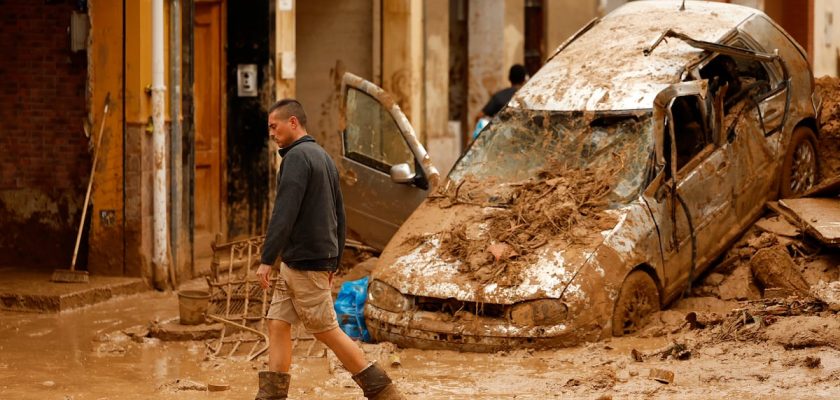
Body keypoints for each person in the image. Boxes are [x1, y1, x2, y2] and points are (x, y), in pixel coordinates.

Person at [255, 99, 404, 400]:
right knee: (278, 323)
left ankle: (381, 390)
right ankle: (270, 396)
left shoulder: (296, 158)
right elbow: (340, 213)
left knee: (326, 331)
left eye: (274, 126)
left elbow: (284, 213)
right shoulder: (322, 156)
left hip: (305, 263)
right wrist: (334, 261)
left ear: (293, 122)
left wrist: (266, 259)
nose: (271, 133)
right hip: (301, 262)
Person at [472, 63, 528, 136]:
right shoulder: (527, 97)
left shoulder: (499, 96)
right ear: (524, 79)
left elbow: (479, 116)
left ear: (509, 78)